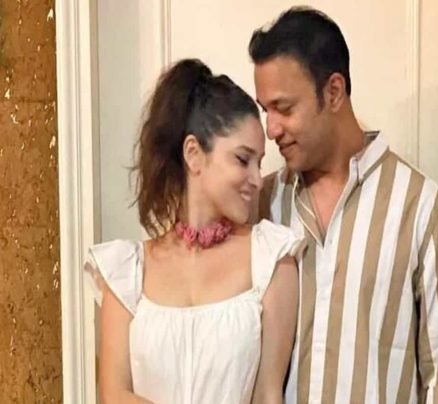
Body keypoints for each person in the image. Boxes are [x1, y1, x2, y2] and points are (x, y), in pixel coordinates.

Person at [249, 7, 438, 403]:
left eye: (284, 108)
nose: (271, 129)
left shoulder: (421, 207)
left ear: (334, 92)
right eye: (265, 110)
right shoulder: (262, 204)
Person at [84, 58, 302, 404]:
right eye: (242, 159)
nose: (257, 180)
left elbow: (267, 395)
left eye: (259, 163)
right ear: (193, 154)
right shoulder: (127, 270)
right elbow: (112, 395)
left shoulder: (271, 259)